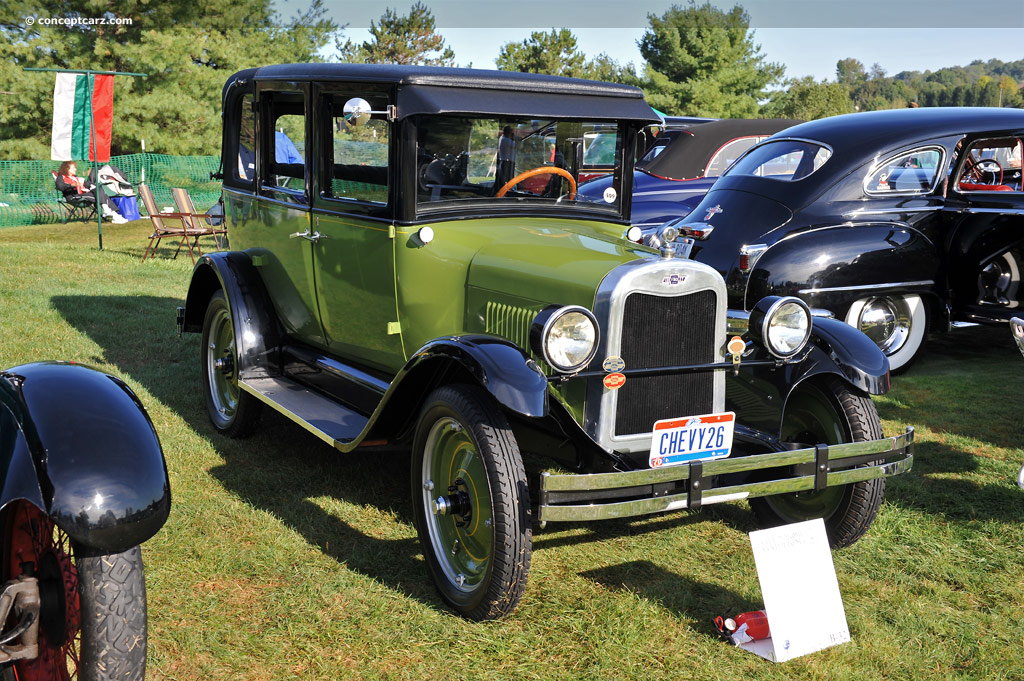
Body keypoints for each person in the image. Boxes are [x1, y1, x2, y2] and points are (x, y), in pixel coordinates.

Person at [55, 161, 127, 223]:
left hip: (83, 194)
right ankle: (112, 213)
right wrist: (72, 185)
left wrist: (91, 186)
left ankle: (111, 212)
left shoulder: (75, 177)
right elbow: (60, 187)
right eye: (73, 168)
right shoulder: (61, 177)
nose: (75, 169)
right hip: (73, 197)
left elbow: (86, 184)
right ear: (67, 169)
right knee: (99, 195)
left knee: (98, 189)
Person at [495, 125, 516, 192]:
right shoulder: (505, 140)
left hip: (506, 160)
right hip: (507, 161)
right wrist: (513, 138)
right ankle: (506, 190)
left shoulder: (502, 138)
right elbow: (515, 146)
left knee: (506, 176)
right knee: (507, 177)